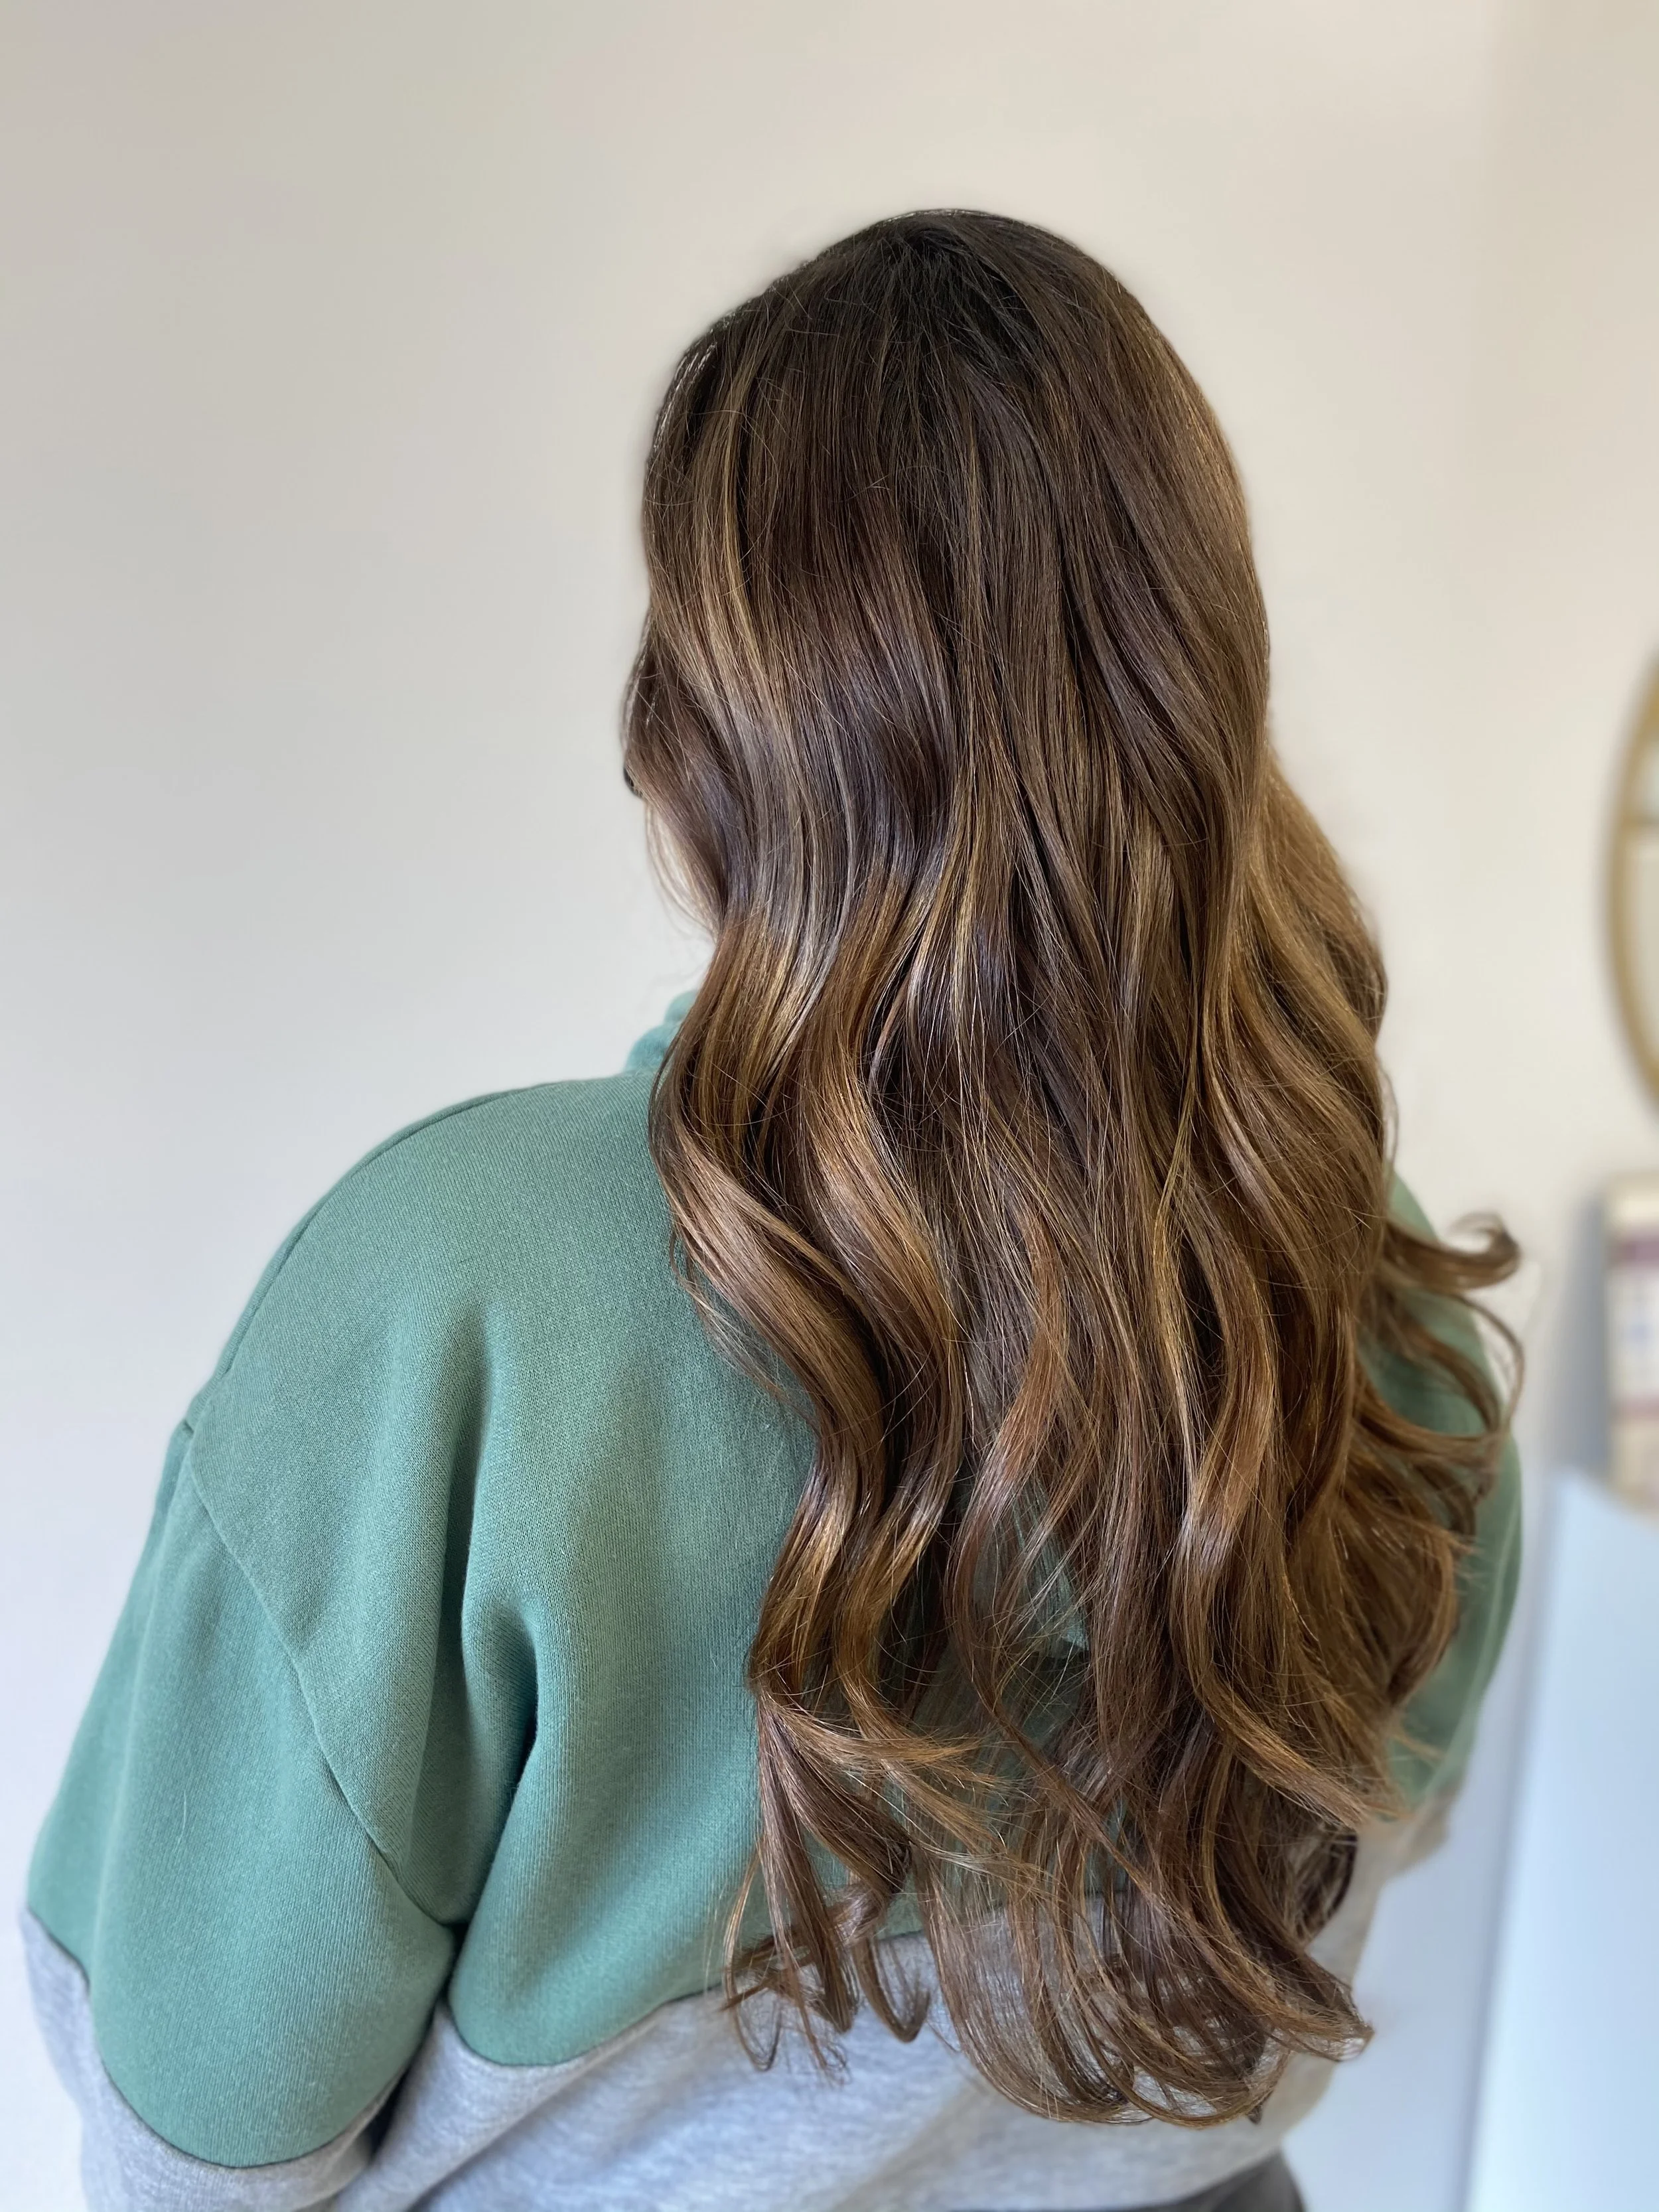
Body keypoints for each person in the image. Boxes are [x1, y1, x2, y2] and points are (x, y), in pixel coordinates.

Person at [24, 210, 1520, 2212]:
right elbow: (1353, 1877)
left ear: (696, 736)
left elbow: (194, 2127)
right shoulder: (1374, 1291)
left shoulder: (454, 1294)